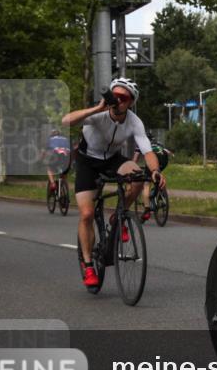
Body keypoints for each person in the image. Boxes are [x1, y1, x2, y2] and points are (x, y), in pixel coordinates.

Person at [61, 78, 166, 289]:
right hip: (87, 160)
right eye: (114, 96)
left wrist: (155, 172)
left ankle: (120, 213)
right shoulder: (99, 114)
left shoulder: (134, 121)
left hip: (111, 159)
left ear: (130, 102)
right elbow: (66, 121)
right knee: (87, 214)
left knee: (138, 176)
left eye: (123, 98)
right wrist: (96, 108)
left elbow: (147, 150)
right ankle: (89, 264)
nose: (118, 101)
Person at [133, 140, 173, 221]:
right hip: (164, 159)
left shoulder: (140, 143)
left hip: (154, 157)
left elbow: (135, 160)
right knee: (157, 175)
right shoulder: (158, 143)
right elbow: (169, 153)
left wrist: (132, 168)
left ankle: (147, 210)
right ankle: (158, 191)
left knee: (146, 183)